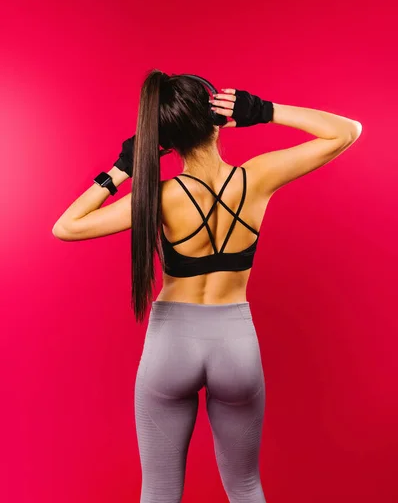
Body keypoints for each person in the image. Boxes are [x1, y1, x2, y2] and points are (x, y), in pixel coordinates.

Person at [52, 70, 362, 502]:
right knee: (246, 486)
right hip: (236, 343)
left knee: (159, 491)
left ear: (167, 139)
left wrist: (122, 169)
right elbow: (347, 131)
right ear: (219, 119)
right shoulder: (257, 177)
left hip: (171, 346)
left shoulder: (159, 195)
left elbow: (66, 227)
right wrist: (264, 111)